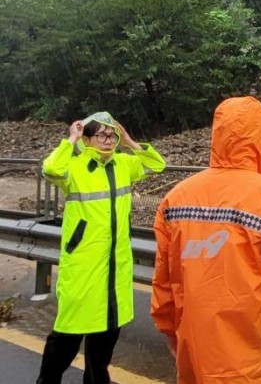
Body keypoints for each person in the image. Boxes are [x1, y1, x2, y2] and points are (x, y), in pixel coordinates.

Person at [150, 96, 261, 384]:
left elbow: (164, 277)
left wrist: (168, 328)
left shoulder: (177, 198)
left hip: (193, 345)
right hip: (247, 352)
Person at [37, 111, 166, 384]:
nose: (108, 140)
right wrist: (70, 139)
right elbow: (50, 169)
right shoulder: (74, 166)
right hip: (84, 265)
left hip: (115, 266)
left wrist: (130, 142)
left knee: (105, 338)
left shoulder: (123, 164)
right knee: (67, 335)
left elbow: (157, 165)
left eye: (112, 135)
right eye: (101, 135)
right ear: (87, 138)